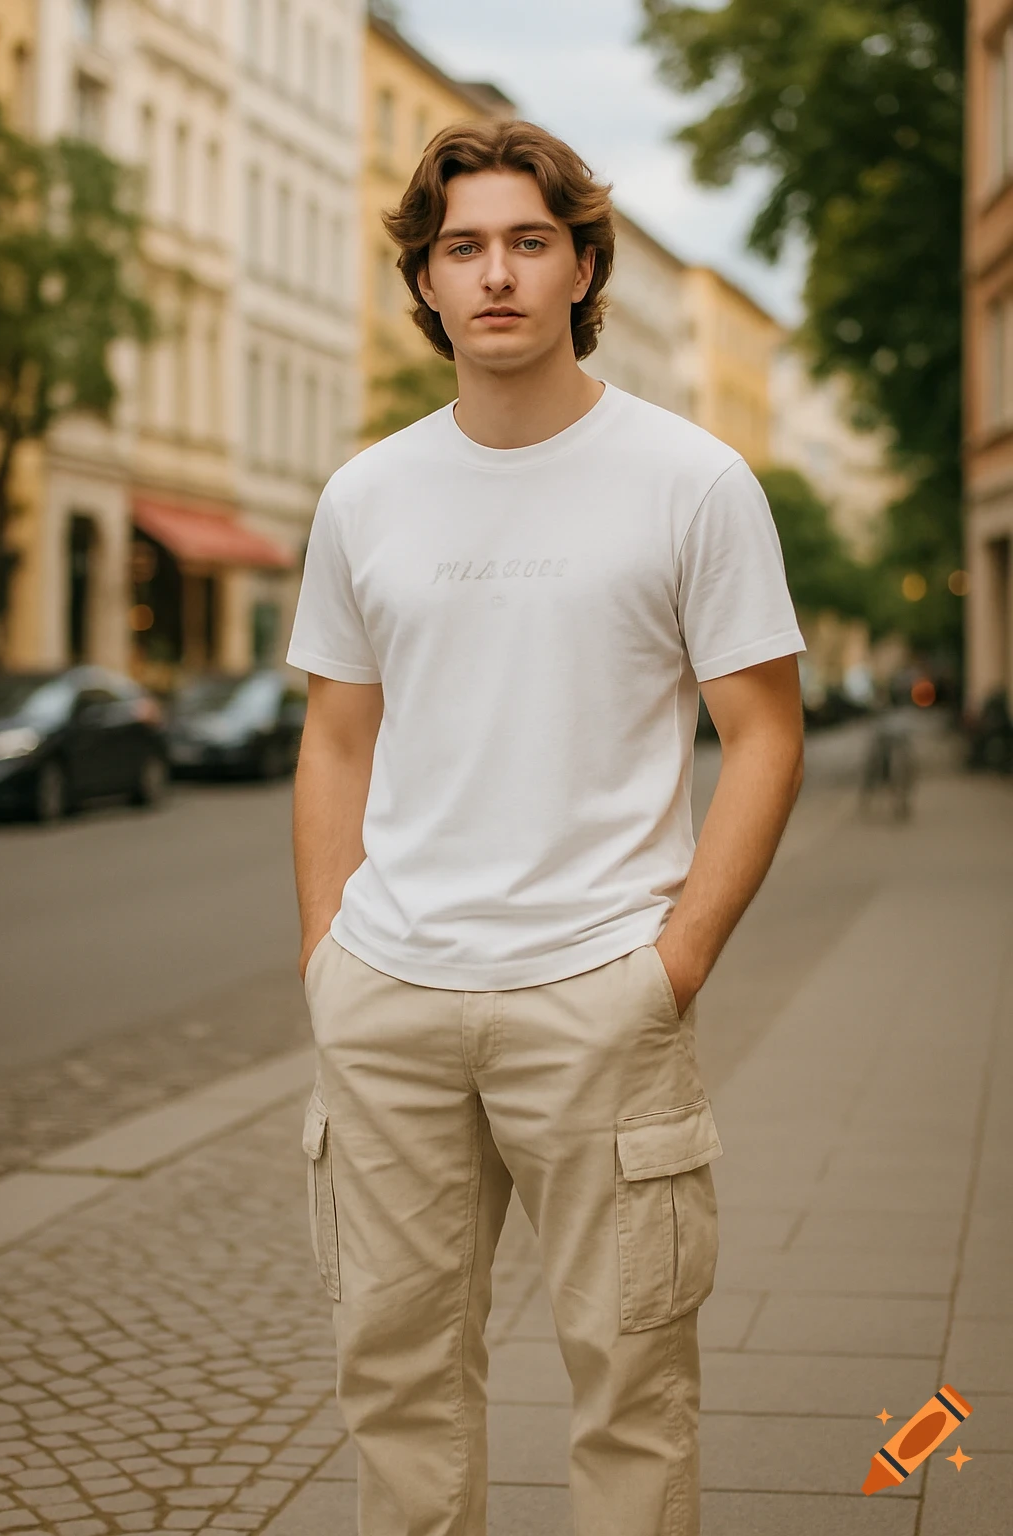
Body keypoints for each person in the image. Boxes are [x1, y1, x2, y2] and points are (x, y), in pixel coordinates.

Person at [288, 118, 806, 1536]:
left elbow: (765, 734)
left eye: (530, 242)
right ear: (427, 280)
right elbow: (336, 738)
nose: (497, 273)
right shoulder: (368, 494)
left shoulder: (692, 480)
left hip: (597, 993)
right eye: (464, 247)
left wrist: (672, 965)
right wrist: (329, 955)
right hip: (389, 997)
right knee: (392, 1383)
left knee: (632, 1388)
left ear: (585, 266)